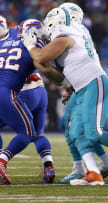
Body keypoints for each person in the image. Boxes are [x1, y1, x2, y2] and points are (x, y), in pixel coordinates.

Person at [22, 7, 108, 186]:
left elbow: (42, 57)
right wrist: (67, 85)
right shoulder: (75, 32)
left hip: (93, 83)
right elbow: (47, 66)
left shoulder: (65, 36)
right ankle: (94, 172)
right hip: (82, 87)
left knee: (93, 133)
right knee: (75, 132)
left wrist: (30, 45)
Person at [0, 16, 66, 185]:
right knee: (37, 133)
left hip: (21, 93)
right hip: (40, 90)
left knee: (26, 133)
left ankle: (1, 160)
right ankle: (49, 167)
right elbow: (45, 64)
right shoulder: (27, 39)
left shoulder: (9, 40)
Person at [57, 2, 108, 183]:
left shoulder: (73, 31)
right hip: (82, 82)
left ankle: (84, 167)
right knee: (72, 126)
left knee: (79, 128)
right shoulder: (81, 29)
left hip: (87, 83)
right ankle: (102, 162)